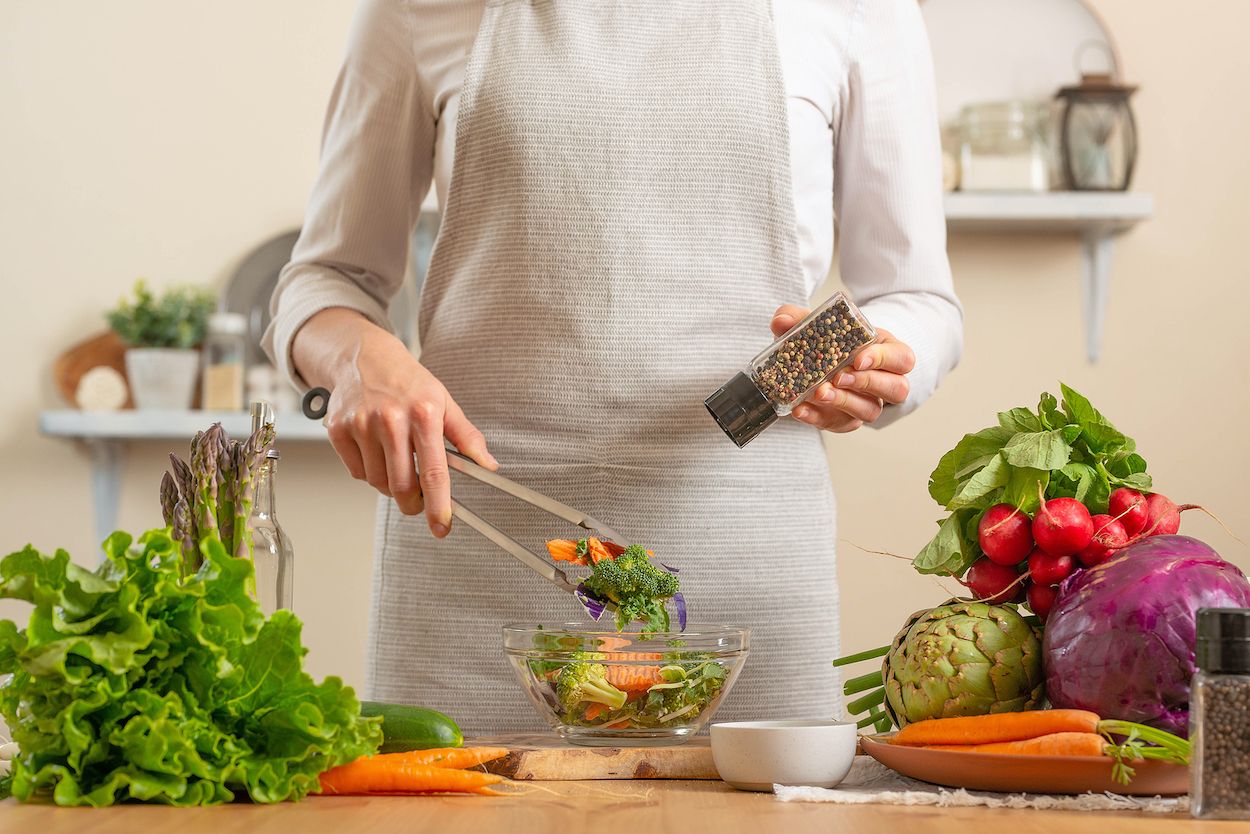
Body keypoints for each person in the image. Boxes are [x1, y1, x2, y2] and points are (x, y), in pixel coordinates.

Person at [264, 0, 962, 733]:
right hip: (473, 549)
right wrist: (359, 358)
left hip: (745, 570)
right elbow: (322, 282)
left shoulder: (861, 11)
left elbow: (918, 298)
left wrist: (878, 359)